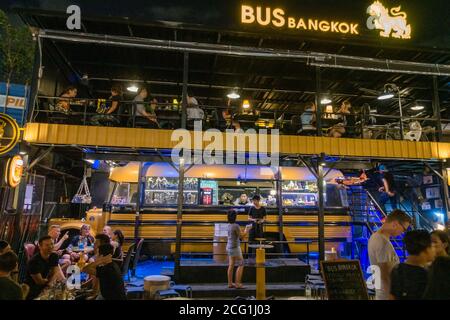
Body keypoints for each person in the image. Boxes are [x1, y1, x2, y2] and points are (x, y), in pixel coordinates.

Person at [368, 209, 412, 300]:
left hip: (385, 293)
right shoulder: (381, 241)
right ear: (395, 224)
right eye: (403, 228)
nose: (403, 232)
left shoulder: (379, 238)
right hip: (387, 294)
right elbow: (384, 272)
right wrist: (392, 294)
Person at [390, 230, 435, 300]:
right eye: (432, 246)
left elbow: (391, 297)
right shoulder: (428, 274)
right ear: (426, 249)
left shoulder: (397, 269)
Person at [25, 236, 65, 300]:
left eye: (52, 244)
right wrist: (50, 281)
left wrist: (49, 283)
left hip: (47, 285)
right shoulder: (33, 261)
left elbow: (56, 272)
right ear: (40, 247)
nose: (51, 247)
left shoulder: (54, 256)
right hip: (33, 289)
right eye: (47, 245)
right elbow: (39, 282)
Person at [226, 210, 251, 289]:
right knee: (241, 264)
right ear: (235, 217)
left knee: (231, 265)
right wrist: (247, 229)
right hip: (235, 247)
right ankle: (237, 284)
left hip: (229, 247)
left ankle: (230, 283)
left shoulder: (229, 225)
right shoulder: (236, 226)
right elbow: (241, 236)